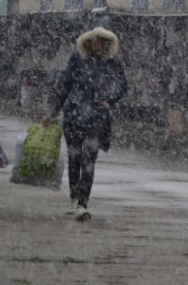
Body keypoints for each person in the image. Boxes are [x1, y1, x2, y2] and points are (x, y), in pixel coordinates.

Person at [42, 27, 128, 221]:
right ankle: (74, 198)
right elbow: (64, 87)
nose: (103, 45)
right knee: (75, 159)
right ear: (90, 41)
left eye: (106, 42)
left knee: (89, 161)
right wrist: (52, 113)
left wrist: (110, 99)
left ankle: (82, 202)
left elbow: (123, 85)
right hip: (73, 116)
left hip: (97, 118)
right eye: (100, 40)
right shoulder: (76, 60)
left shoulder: (112, 63)